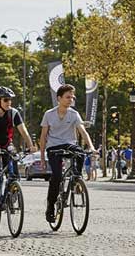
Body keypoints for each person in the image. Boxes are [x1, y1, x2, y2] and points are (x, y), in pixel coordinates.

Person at [39, 84, 96, 223]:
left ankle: (76, 178)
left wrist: (92, 147)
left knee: (81, 153)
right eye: (67, 97)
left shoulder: (74, 114)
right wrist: (42, 158)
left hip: (69, 144)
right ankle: (50, 206)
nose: (71, 99)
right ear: (59, 98)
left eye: (72, 97)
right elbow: (43, 137)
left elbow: (83, 131)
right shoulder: (49, 114)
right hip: (53, 147)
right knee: (57, 177)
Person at [0, 86, 35, 209]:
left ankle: (12, 194)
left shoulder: (14, 113)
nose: (9, 103)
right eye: (6, 100)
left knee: (14, 163)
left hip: (6, 144)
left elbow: (23, 130)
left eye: (10, 100)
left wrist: (30, 145)